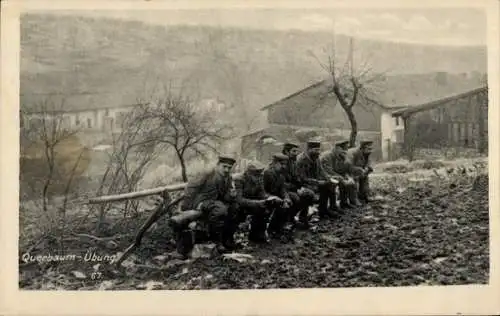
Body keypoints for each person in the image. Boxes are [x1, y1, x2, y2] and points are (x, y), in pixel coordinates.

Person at [171, 156, 239, 257]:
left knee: (235, 207)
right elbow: (191, 188)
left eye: (229, 168)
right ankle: (216, 241)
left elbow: (225, 196)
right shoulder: (207, 173)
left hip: (215, 203)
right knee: (220, 209)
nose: (226, 170)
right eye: (224, 166)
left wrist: (231, 195)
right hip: (201, 202)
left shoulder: (228, 178)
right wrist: (187, 207)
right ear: (218, 165)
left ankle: (227, 238)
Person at [233, 161, 283, 244]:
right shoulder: (239, 179)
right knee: (236, 211)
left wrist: (272, 198)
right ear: (248, 173)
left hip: (252, 203)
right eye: (256, 175)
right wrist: (259, 203)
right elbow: (239, 200)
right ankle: (230, 237)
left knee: (268, 205)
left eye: (260, 174)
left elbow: (262, 193)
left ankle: (257, 234)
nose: (259, 177)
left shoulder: (259, 179)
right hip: (239, 205)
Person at [296, 140, 338, 223]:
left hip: (314, 182)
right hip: (303, 184)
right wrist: (318, 182)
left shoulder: (316, 158)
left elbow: (321, 171)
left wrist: (328, 178)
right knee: (309, 193)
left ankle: (323, 210)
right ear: (309, 149)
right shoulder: (301, 160)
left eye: (319, 150)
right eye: (316, 150)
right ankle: (303, 216)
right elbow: (302, 178)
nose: (318, 152)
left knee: (329, 185)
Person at [281, 142, 315, 229]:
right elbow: (281, 183)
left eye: (297, 151)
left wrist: (300, 187)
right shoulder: (281, 163)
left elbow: (297, 177)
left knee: (309, 194)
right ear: (286, 152)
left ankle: (303, 218)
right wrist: (296, 188)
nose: (296, 153)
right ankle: (288, 220)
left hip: (292, 188)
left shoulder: (293, 162)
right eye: (293, 151)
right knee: (295, 198)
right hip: (283, 190)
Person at [320, 139, 361, 210]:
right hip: (324, 176)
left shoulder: (343, 156)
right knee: (332, 183)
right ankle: (331, 206)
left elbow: (346, 169)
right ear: (336, 148)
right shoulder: (327, 156)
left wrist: (348, 177)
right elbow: (328, 171)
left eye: (346, 150)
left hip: (336, 176)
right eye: (343, 150)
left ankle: (344, 203)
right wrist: (342, 179)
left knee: (348, 182)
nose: (345, 152)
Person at [263, 153, 294, 241]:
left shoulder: (281, 174)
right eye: (282, 164)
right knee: (279, 204)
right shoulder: (267, 173)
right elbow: (262, 191)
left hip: (276, 197)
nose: (284, 167)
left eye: (285, 164)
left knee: (288, 203)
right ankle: (270, 229)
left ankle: (277, 228)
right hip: (265, 197)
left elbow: (283, 189)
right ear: (274, 163)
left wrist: (286, 198)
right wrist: (272, 197)